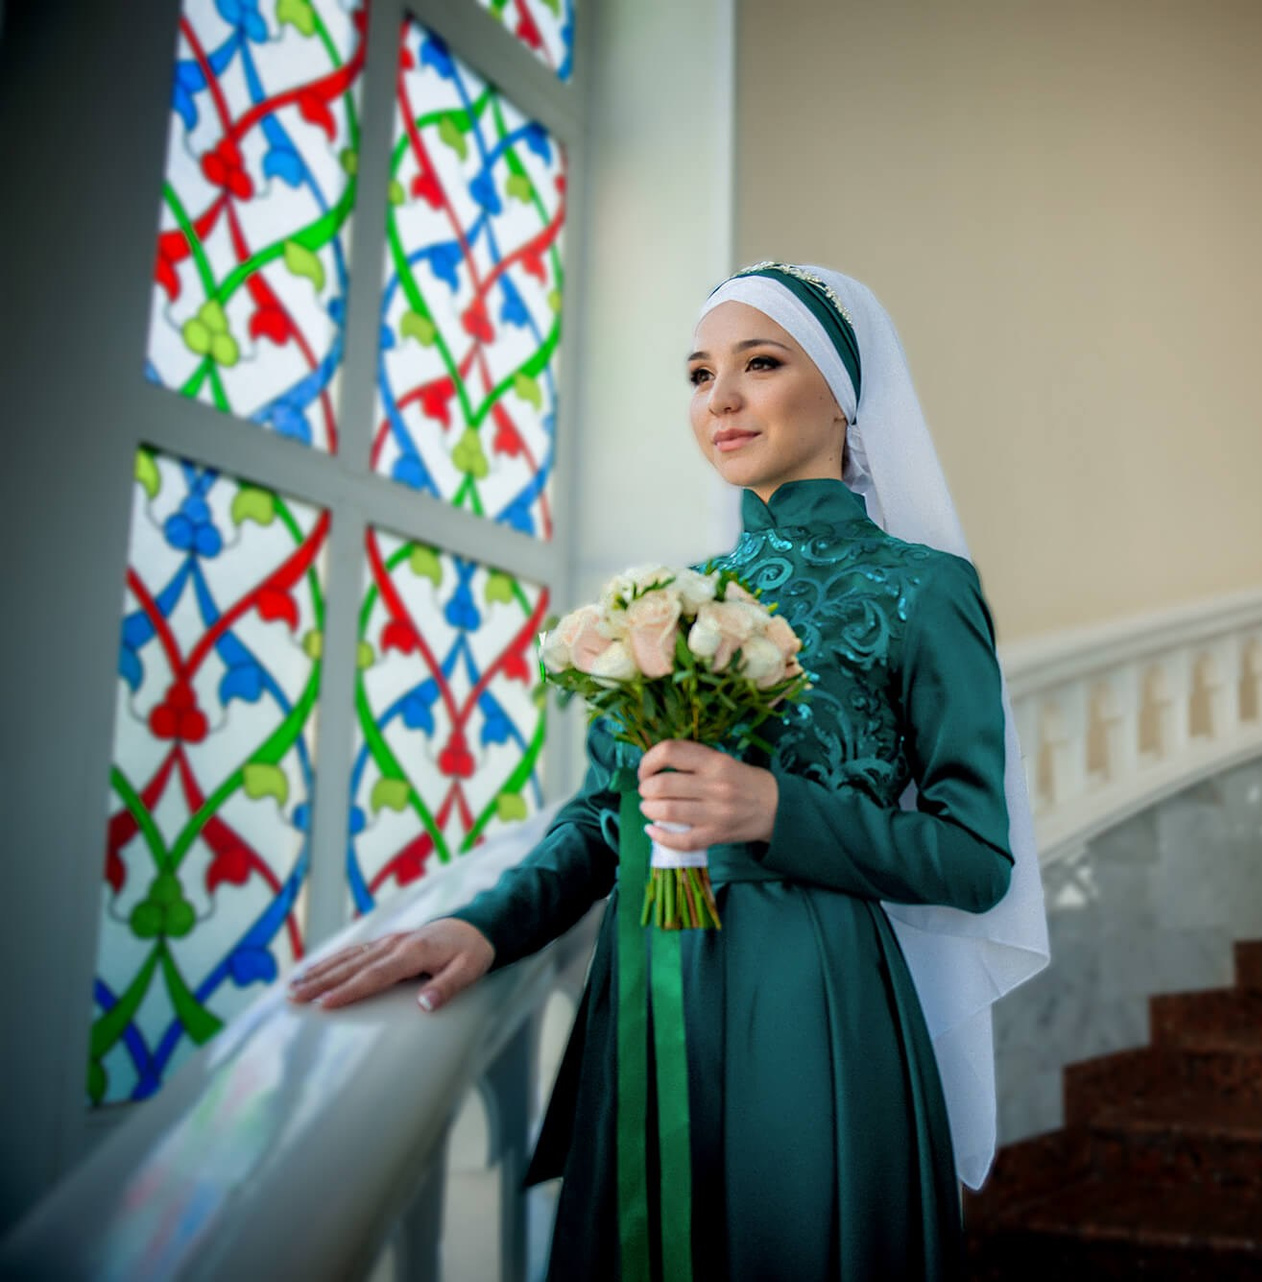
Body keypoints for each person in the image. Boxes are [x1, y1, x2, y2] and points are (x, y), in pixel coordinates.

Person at [288, 264, 1048, 1279]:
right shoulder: (672, 599)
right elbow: (603, 818)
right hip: (649, 989)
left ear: (841, 393)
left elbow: (976, 858)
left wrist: (777, 810)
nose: (720, 399)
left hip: (811, 999)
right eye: (699, 374)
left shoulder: (923, 590)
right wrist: (484, 925)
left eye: (759, 364)